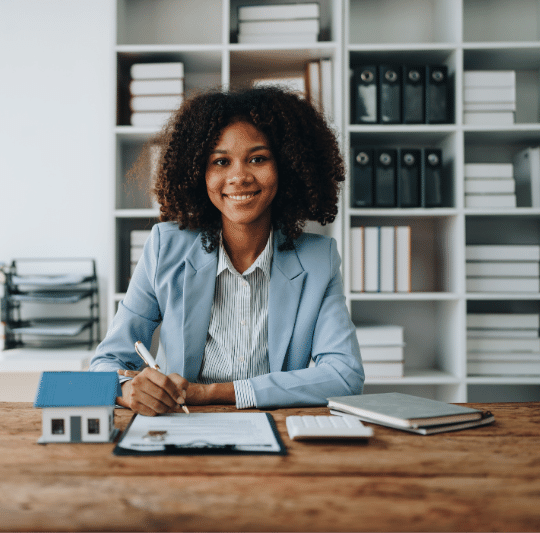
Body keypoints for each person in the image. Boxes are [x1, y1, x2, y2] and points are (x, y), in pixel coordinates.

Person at [90, 86, 364, 416]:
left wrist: (209, 393)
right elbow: (107, 362)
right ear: (198, 173)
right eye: (220, 161)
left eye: (258, 159)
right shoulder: (165, 247)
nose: (238, 177)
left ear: (288, 168)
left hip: (273, 429)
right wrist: (128, 390)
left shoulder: (318, 259)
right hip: (181, 427)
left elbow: (344, 375)